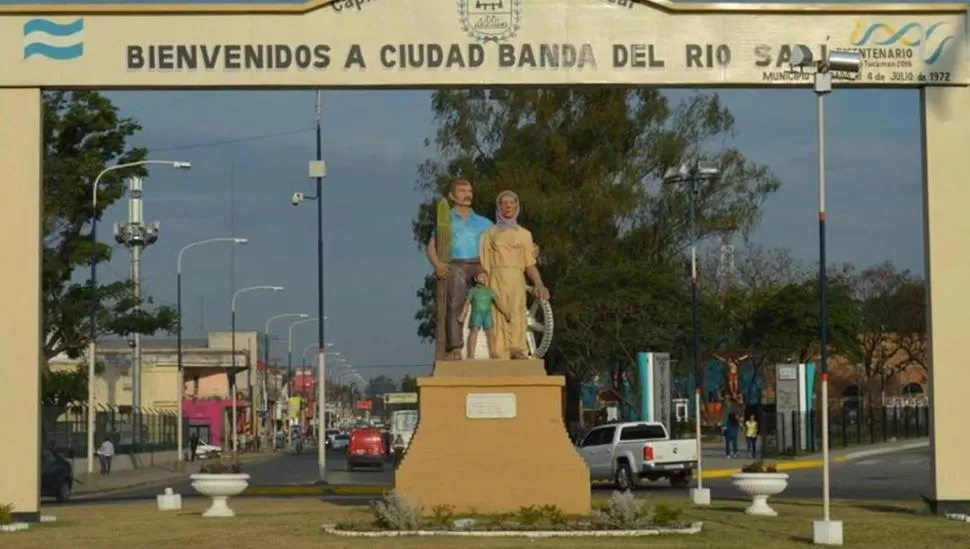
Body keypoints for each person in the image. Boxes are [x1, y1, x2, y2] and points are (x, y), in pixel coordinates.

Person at [426, 178, 494, 360]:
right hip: (456, 264)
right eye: (462, 190)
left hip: (480, 263)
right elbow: (431, 245)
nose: (467, 194)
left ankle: (499, 344)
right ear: (451, 196)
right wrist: (438, 264)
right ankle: (455, 347)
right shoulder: (446, 219)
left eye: (470, 190)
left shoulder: (484, 222)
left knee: (494, 296)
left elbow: (502, 240)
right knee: (454, 303)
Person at [480, 190, 550, 359]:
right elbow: (483, 264)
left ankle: (517, 349)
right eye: (504, 203)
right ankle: (497, 351)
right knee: (498, 313)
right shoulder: (489, 234)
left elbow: (530, 265)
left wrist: (539, 284)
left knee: (517, 313)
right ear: (499, 207)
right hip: (495, 278)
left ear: (517, 206)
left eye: (511, 203)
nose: (508, 206)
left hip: (517, 278)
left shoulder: (525, 235)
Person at [460, 272, 510, 359]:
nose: (483, 278)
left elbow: (498, 303)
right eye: (481, 276)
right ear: (475, 279)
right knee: (474, 332)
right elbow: (467, 303)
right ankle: (471, 354)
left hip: (487, 313)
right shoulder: (472, 291)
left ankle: (493, 352)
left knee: (490, 333)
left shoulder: (490, 291)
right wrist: (462, 315)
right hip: (476, 313)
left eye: (485, 276)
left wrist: (506, 313)